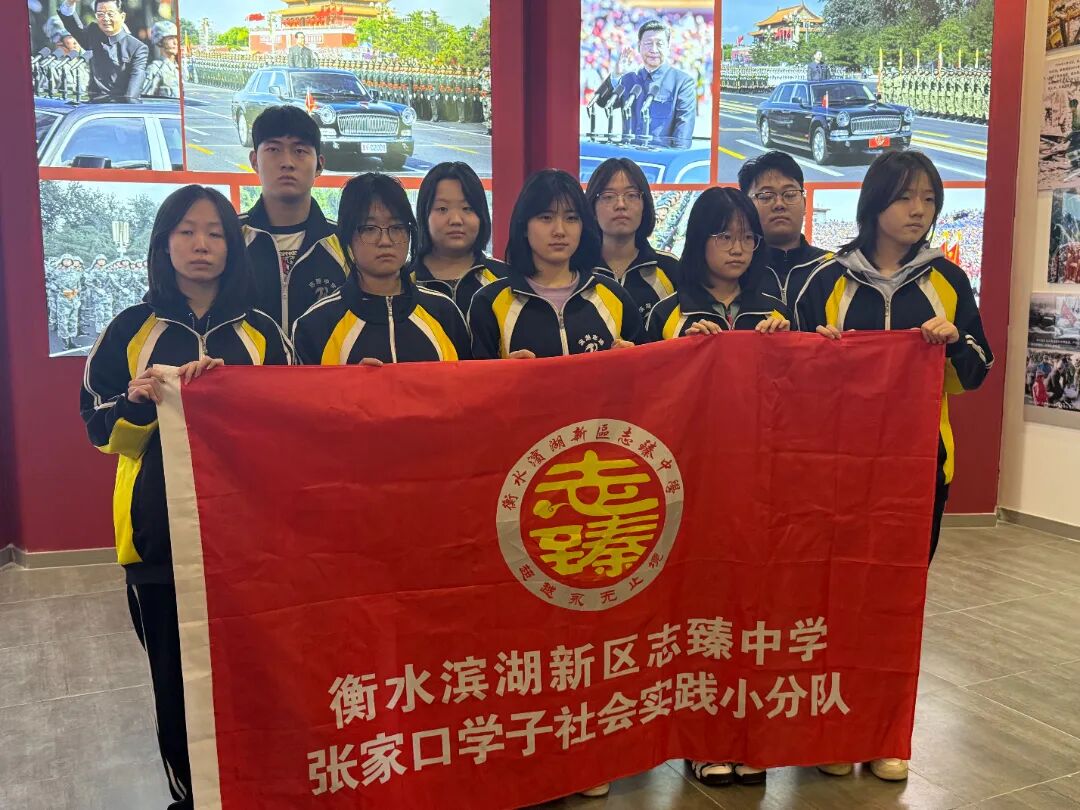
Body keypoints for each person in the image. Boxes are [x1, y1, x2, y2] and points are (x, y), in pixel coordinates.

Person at [80, 185, 291, 810]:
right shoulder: (130, 329)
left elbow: (294, 429)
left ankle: (259, 788)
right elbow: (100, 431)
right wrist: (140, 402)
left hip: (252, 544)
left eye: (216, 233)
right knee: (175, 681)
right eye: (187, 231)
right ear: (163, 243)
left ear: (233, 247)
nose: (202, 245)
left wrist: (235, 396)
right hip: (156, 539)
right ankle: (189, 796)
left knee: (255, 676)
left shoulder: (263, 334)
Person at [795, 150, 993, 782]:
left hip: (918, 468)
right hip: (835, 469)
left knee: (896, 602)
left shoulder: (947, 281)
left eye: (929, 200)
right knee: (835, 598)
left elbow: (977, 370)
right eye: (906, 197)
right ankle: (834, 727)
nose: (919, 211)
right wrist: (815, 351)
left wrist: (951, 344)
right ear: (875, 202)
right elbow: (789, 377)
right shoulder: (824, 280)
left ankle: (884, 733)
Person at [292, 173, 470, 365]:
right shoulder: (316, 324)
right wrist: (349, 380)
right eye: (369, 228)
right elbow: (304, 385)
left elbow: (468, 381)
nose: (385, 241)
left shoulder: (444, 312)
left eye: (397, 227)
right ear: (347, 236)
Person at [469, 168, 642, 362]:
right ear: (524, 226)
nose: (559, 230)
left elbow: (651, 371)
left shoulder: (614, 296)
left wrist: (634, 360)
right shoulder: (489, 303)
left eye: (571, 218)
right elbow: (475, 378)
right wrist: (504, 373)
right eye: (546, 217)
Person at [240, 106, 349, 333]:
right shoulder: (229, 237)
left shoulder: (345, 242)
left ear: (319, 164)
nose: (287, 162)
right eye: (273, 149)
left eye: (300, 151)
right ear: (254, 161)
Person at [646, 187, 789, 342]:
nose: (737, 249)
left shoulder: (776, 314)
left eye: (748, 237)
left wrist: (784, 343)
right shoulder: (665, 314)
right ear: (700, 240)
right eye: (725, 237)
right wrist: (687, 348)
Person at [585, 157, 681, 322]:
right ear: (592, 208)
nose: (621, 205)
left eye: (631, 195)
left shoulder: (670, 269)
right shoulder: (578, 270)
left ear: (645, 206)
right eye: (608, 196)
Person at [410, 161, 508, 314]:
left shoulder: (506, 280)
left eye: (467, 208)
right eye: (442, 209)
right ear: (424, 215)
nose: (456, 220)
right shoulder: (402, 281)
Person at [738, 151, 829, 306]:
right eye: (766, 196)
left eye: (790, 194)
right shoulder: (736, 273)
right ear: (746, 206)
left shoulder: (832, 269)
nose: (779, 204)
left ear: (805, 203)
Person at [610, 20, 697, 148]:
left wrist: (674, 156)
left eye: (659, 44)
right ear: (639, 46)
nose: (654, 49)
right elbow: (603, 104)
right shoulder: (628, 79)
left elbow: (683, 131)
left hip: (661, 157)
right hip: (628, 155)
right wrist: (617, 75)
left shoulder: (682, 82)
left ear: (668, 46)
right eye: (648, 43)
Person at [57, 0, 148, 103]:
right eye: (100, 14)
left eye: (110, 14)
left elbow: (133, 92)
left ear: (122, 17)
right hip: (93, 106)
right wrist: (69, 3)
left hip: (119, 107)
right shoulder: (93, 34)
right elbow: (72, 24)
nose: (105, 18)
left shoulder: (137, 47)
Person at [143, 20, 180, 99]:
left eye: (176, 38)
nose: (175, 42)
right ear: (160, 41)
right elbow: (146, 97)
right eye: (170, 38)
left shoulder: (180, 68)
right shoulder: (155, 68)